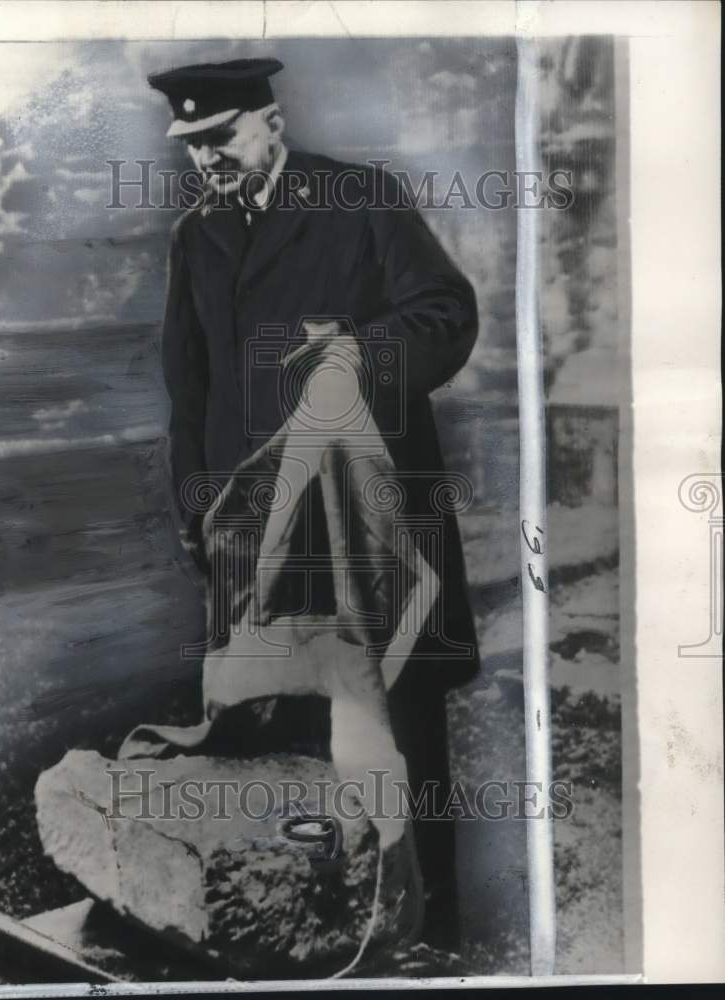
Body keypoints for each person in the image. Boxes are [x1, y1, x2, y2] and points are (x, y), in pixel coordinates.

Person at [147, 57, 480, 951]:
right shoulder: (195, 234)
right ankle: (312, 929)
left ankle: (427, 936)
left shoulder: (361, 199)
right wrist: (198, 509)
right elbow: (191, 389)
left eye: (220, 139)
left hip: (369, 518)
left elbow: (447, 311)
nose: (207, 161)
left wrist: (357, 361)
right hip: (253, 529)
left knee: (396, 719)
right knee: (279, 729)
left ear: (271, 123)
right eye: (192, 147)